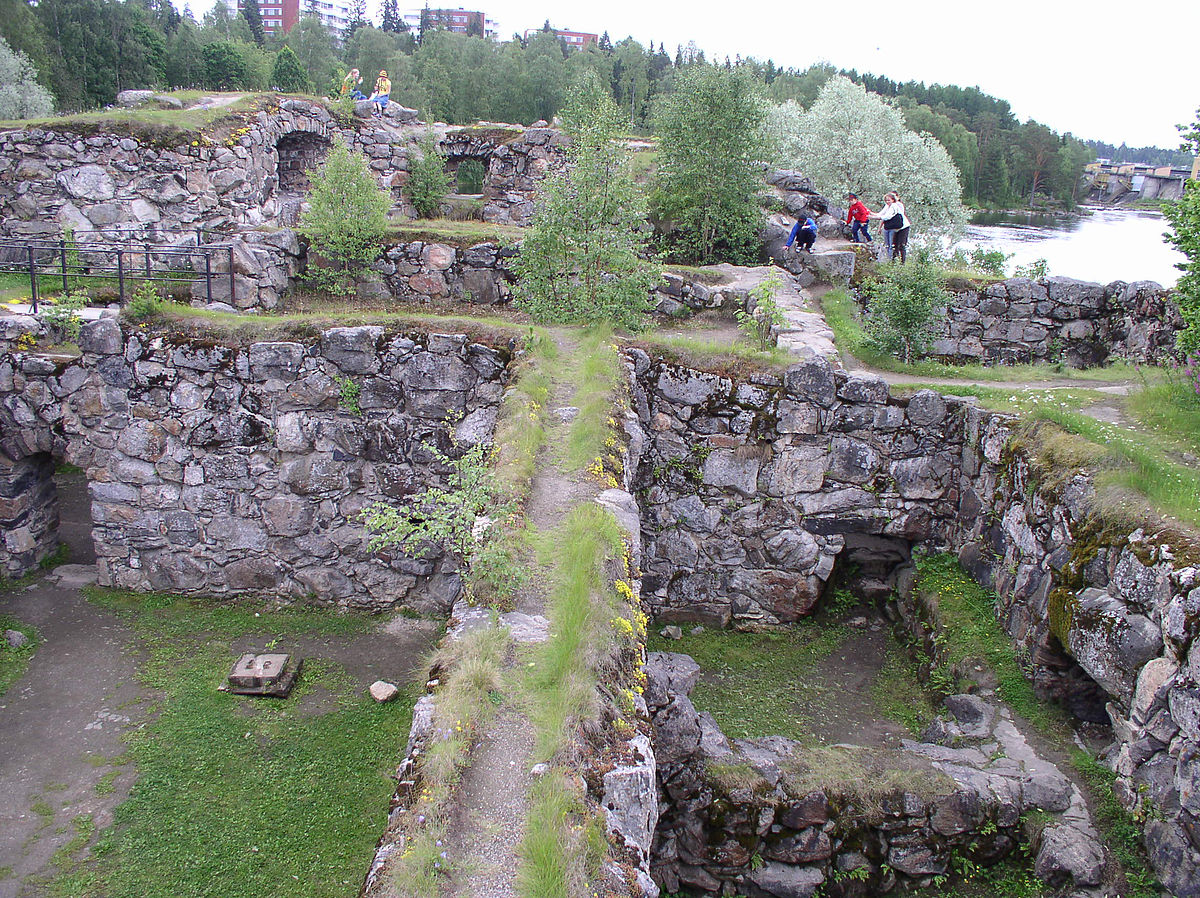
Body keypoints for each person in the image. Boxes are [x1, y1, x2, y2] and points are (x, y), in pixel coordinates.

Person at [871, 192, 911, 263]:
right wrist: (870, 213)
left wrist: (873, 217)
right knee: (894, 244)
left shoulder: (895, 206)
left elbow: (887, 216)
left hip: (902, 227)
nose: (887, 202)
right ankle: (894, 261)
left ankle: (902, 262)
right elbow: (881, 214)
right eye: (886, 200)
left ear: (893, 199)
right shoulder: (887, 206)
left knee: (902, 244)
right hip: (895, 227)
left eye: (888, 200)